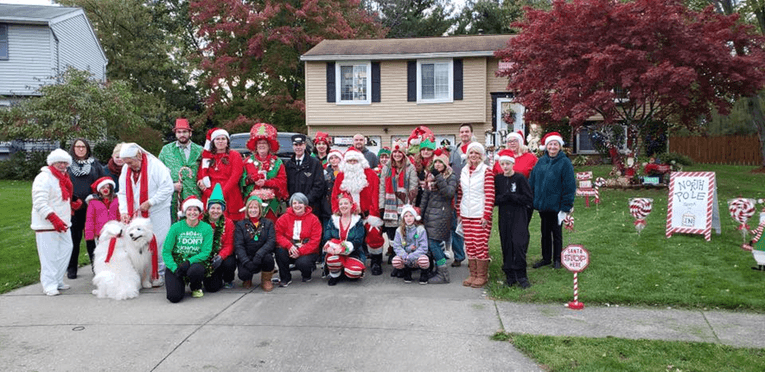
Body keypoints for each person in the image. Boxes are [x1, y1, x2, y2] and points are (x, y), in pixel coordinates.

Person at [117, 143, 174, 285]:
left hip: (157, 211)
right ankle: (143, 274)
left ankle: (159, 274)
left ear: (138, 156)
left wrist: (151, 202)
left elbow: (168, 187)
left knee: (158, 242)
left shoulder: (156, 165)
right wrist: (123, 211)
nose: (128, 166)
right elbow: (123, 192)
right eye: (126, 163)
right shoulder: (126, 168)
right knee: (139, 244)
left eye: (130, 162)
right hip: (137, 212)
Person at [528, 132, 576, 270]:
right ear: (546, 146)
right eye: (550, 144)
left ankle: (557, 259)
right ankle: (546, 258)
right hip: (543, 205)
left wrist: (566, 206)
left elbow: (569, 186)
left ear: (559, 146)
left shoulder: (565, 163)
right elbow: (533, 180)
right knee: (545, 233)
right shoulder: (541, 161)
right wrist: (531, 197)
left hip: (557, 206)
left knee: (557, 234)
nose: (553, 147)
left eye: (555, 144)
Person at [31, 149, 76, 296]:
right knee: (48, 256)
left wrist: (72, 205)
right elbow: (39, 202)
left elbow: (63, 198)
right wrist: (52, 218)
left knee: (66, 249)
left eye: (65, 162)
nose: (62, 165)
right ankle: (49, 284)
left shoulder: (64, 177)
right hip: (46, 224)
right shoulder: (43, 178)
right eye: (59, 162)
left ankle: (57, 280)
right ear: (52, 163)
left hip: (63, 223)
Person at [331, 147, 382, 274]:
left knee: (374, 233)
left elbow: (375, 195)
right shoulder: (341, 176)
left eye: (355, 161)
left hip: (367, 213)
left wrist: (374, 213)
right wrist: (339, 212)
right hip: (347, 214)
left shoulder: (371, 175)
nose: (353, 164)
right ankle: (348, 259)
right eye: (350, 161)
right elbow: (335, 196)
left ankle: (376, 260)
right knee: (346, 235)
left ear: (361, 162)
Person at [455, 142, 495, 288]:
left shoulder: (487, 171)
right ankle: (473, 274)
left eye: (476, 153)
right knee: (470, 245)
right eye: (471, 153)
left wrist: (486, 214)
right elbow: (460, 193)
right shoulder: (464, 171)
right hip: (466, 213)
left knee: (480, 245)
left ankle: (482, 276)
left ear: (481, 156)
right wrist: (459, 212)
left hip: (480, 213)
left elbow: (490, 194)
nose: (473, 156)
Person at [162, 196, 213, 303]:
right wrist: (174, 268)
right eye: (189, 209)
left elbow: (206, 252)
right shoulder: (176, 227)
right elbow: (166, 251)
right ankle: (179, 282)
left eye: (195, 210)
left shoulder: (207, 228)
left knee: (196, 270)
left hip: (194, 264)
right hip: (176, 264)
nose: (192, 212)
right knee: (174, 298)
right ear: (185, 211)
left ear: (200, 212)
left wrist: (189, 262)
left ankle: (196, 286)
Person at [66, 138, 104, 279]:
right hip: (74, 208)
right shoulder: (68, 165)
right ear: (73, 148)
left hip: (91, 208)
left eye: (83, 146)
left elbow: (102, 184)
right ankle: (72, 268)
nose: (80, 149)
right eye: (77, 146)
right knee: (73, 239)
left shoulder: (95, 165)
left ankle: (96, 267)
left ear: (87, 148)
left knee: (91, 240)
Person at [378, 139, 417, 274]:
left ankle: (403, 263)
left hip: (404, 204)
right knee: (392, 236)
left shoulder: (410, 168)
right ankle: (397, 261)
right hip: (389, 206)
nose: (397, 155)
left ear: (404, 154)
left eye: (399, 152)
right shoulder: (386, 168)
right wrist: (381, 206)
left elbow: (413, 187)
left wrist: (410, 205)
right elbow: (382, 187)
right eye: (394, 152)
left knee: (404, 234)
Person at [494, 154, 533, 288]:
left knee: (518, 244)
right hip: (504, 216)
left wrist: (513, 197)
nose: (505, 167)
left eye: (508, 164)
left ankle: (521, 274)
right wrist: (503, 198)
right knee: (507, 244)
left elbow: (528, 198)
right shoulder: (498, 179)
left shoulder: (520, 178)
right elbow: (494, 199)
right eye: (503, 164)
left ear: (513, 164)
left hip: (518, 215)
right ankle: (509, 274)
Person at [419, 148, 457, 284]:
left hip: (442, 214)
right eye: (435, 163)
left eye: (440, 162)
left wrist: (438, 176)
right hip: (430, 215)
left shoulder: (451, 176)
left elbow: (448, 193)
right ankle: (437, 269)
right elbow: (426, 196)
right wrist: (420, 215)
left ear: (446, 164)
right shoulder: (430, 176)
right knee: (430, 244)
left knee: (434, 244)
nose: (437, 165)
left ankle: (443, 272)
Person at [158, 118, 203, 223]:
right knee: (174, 222)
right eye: (179, 132)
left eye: (185, 132)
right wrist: (171, 186)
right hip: (173, 195)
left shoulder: (200, 150)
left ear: (190, 133)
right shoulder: (166, 150)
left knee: (193, 221)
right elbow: (159, 174)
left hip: (193, 192)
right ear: (175, 134)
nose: (182, 134)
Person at [242, 122, 288, 223]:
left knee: (270, 228)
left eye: (264, 143)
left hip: (272, 204)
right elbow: (241, 181)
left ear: (269, 146)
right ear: (255, 146)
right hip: (252, 205)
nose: (261, 145)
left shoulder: (277, 162)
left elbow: (282, 181)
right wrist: (251, 179)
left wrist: (266, 183)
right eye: (259, 143)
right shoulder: (246, 162)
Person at [274, 193, 322, 286]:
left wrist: (299, 252)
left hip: (307, 251)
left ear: (305, 205)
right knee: (279, 251)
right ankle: (285, 278)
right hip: (290, 248)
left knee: (303, 263)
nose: (297, 205)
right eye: (294, 203)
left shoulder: (314, 219)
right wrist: (289, 246)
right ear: (291, 205)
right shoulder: (283, 218)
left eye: (300, 203)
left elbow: (315, 241)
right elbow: (278, 234)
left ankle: (306, 274)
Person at [197, 128, 244, 221]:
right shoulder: (207, 157)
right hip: (210, 192)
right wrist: (202, 185)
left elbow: (235, 176)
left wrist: (221, 194)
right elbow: (201, 175)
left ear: (227, 142)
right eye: (217, 139)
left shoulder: (234, 155)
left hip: (229, 192)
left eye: (223, 139)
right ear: (213, 142)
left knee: (229, 224)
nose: (220, 141)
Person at [322, 191, 366, 286]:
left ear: (351, 205)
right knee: (332, 259)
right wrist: (330, 247)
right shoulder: (333, 220)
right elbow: (327, 237)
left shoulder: (357, 221)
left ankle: (346, 271)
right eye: (340, 204)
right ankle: (335, 275)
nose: (343, 206)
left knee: (354, 272)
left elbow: (358, 240)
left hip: (354, 253)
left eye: (346, 203)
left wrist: (343, 248)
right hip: (335, 253)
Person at [234, 195, 276, 291]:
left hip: (262, 255)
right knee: (243, 274)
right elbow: (239, 245)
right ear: (247, 209)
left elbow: (271, 241)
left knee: (268, 259)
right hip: (247, 256)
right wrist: (246, 261)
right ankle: (247, 279)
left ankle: (266, 280)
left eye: (255, 207)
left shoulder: (268, 223)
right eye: (251, 207)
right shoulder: (240, 225)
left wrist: (259, 254)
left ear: (260, 209)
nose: (253, 210)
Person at [201, 184, 237, 292]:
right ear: (208, 209)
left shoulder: (229, 223)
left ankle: (228, 279)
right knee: (212, 288)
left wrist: (220, 256)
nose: (215, 211)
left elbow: (230, 244)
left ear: (222, 210)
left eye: (218, 208)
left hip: (222, 255)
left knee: (229, 262)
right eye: (212, 208)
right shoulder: (202, 223)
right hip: (208, 256)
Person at [447, 124, 473, 267]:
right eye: (462, 132)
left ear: (471, 133)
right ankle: (458, 256)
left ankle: (473, 256)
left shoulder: (476, 149)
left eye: (467, 131)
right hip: (456, 193)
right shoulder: (454, 151)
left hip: (471, 193)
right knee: (455, 224)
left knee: (471, 225)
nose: (464, 134)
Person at [285, 134, 325, 218]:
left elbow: (319, 185)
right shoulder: (288, 164)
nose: (298, 147)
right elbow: (286, 185)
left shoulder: (315, 163)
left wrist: (305, 202)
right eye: (296, 145)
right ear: (293, 146)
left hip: (310, 207)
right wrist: (293, 202)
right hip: (293, 207)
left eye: (300, 145)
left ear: (305, 145)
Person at [391, 205, 430, 284]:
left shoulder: (420, 229)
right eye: (406, 216)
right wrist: (405, 254)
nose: (408, 218)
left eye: (411, 216)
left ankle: (424, 273)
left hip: (417, 255)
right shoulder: (399, 230)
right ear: (403, 218)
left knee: (424, 260)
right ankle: (406, 271)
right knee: (395, 261)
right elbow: (397, 246)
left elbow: (424, 247)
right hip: (406, 256)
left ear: (415, 217)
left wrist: (412, 256)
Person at [84, 177, 119, 252]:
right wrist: (89, 235)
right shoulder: (93, 202)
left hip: (115, 232)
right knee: (102, 252)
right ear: (99, 189)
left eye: (107, 187)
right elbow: (90, 219)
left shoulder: (116, 200)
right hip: (100, 233)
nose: (105, 189)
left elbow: (119, 215)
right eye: (103, 187)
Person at [319, 149, 344, 229]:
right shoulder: (325, 172)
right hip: (327, 205)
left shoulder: (345, 172)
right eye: (331, 158)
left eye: (336, 157)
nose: (334, 160)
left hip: (342, 203)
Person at [411, 137, 436, 206]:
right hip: (418, 198)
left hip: (432, 199)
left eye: (428, 149)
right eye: (423, 149)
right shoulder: (415, 163)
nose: (425, 151)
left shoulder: (436, 164)